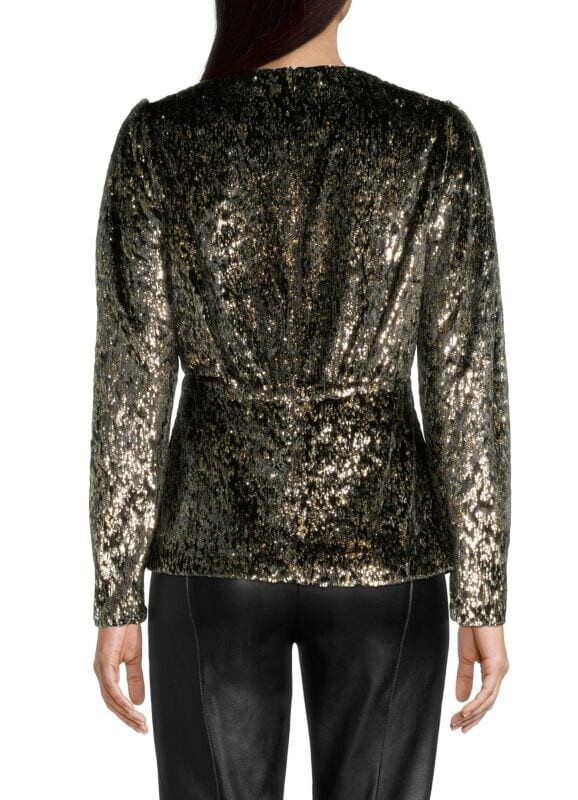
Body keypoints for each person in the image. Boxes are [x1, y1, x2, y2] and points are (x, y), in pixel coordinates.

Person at [89, 1, 511, 798]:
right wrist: (483, 594)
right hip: (387, 552)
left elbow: (130, 386)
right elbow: (466, 378)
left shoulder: (162, 140)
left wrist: (115, 592)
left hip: (211, 553)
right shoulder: (432, 140)